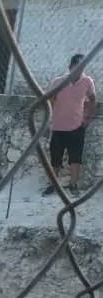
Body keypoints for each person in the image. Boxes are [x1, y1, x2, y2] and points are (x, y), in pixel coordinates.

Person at [43, 54, 96, 196]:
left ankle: (73, 185)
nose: (79, 70)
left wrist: (88, 118)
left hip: (77, 126)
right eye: (76, 67)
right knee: (55, 159)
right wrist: (48, 118)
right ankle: (53, 185)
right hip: (58, 126)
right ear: (70, 67)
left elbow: (92, 99)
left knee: (75, 158)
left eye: (82, 67)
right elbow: (49, 101)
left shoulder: (87, 81)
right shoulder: (58, 82)